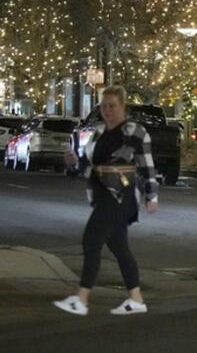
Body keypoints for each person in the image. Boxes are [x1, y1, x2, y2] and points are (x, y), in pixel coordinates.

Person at [54, 85, 159, 316]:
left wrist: (151, 195)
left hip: (120, 197)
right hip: (102, 196)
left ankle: (81, 299)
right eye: (104, 106)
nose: (107, 110)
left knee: (91, 241)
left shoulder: (134, 131)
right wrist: (73, 163)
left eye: (112, 106)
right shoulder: (99, 133)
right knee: (120, 248)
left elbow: (146, 165)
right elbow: (90, 167)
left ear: (123, 107)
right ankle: (136, 298)